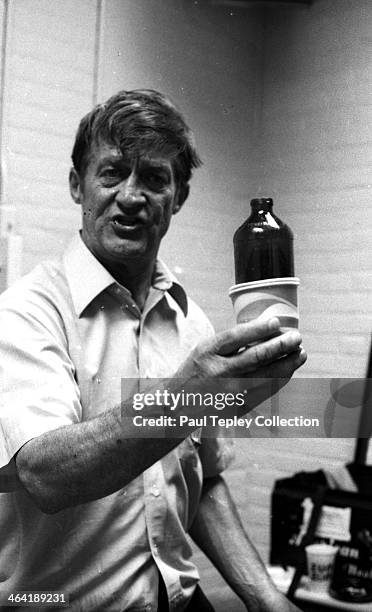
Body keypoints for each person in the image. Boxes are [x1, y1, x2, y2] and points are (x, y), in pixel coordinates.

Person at [0, 89, 306, 612]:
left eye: (155, 179)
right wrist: (188, 398)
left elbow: (202, 479)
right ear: (78, 185)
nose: (132, 196)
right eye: (113, 173)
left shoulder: (191, 322)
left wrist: (265, 598)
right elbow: (45, 475)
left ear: (178, 198)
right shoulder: (26, 313)